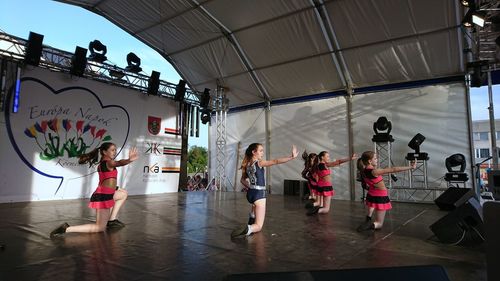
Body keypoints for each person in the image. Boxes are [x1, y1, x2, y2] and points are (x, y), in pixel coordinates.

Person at [50, 143, 138, 237]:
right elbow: (119, 163)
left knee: (123, 194)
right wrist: (129, 160)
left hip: (107, 193)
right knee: (99, 227)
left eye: (115, 150)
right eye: (112, 150)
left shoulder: (104, 164)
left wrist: (116, 188)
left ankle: (112, 220)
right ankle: (66, 228)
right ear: (104, 152)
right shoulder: (108, 162)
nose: (114, 152)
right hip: (103, 197)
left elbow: (104, 181)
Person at [231, 143, 298, 238]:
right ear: (254, 152)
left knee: (254, 208)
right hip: (259, 194)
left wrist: (250, 186)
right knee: (258, 226)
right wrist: (291, 157)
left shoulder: (247, 165)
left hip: (251, 194)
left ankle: (250, 222)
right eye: (261, 150)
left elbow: (242, 180)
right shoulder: (259, 163)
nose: (262, 153)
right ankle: (248, 229)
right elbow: (276, 161)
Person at [356, 151, 416, 231]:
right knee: (379, 224)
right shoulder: (374, 172)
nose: (377, 160)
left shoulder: (362, 171)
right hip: (380, 196)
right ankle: (370, 225)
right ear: (370, 161)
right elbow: (393, 169)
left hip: (371, 194)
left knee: (372, 208)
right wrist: (411, 167)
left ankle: (368, 219)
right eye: (375, 158)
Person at [307, 151, 357, 215]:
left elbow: (314, 176)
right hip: (326, 187)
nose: (329, 158)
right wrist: (350, 158)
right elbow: (338, 162)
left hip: (320, 186)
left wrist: (350, 158)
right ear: (322, 157)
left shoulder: (318, 165)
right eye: (327, 156)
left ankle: (315, 209)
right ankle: (315, 211)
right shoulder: (325, 165)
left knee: (321, 204)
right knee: (326, 209)